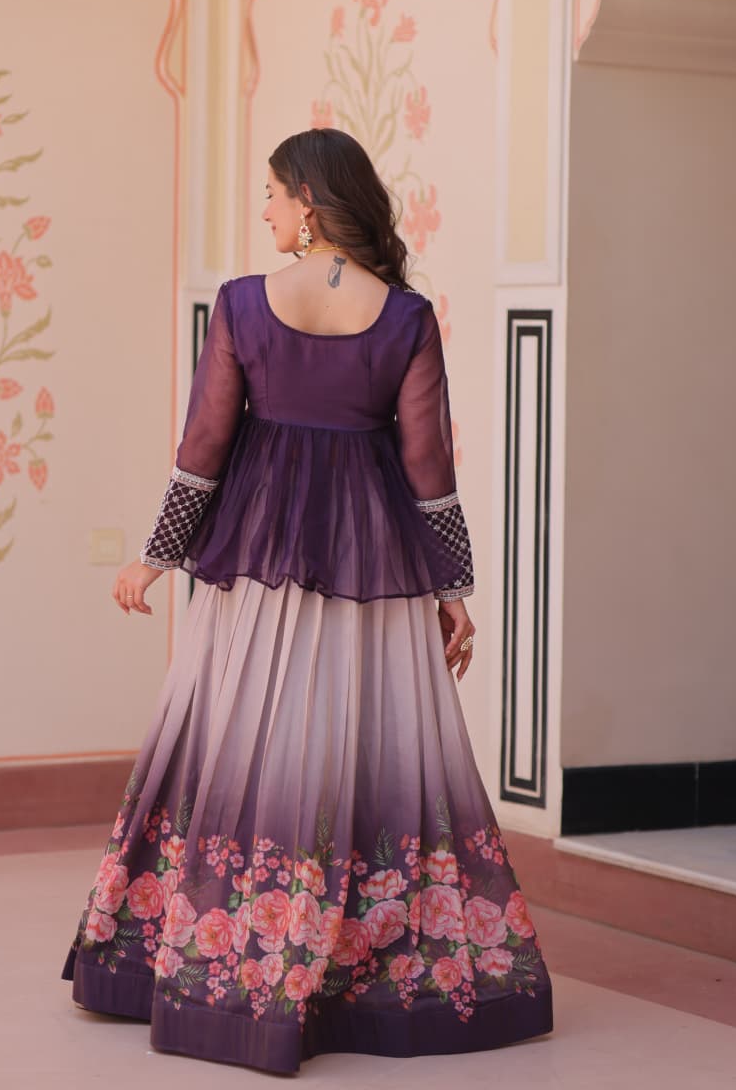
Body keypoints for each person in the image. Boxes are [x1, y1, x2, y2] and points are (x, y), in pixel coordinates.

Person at [60, 128, 553, 1074]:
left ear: (311, 205)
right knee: (357, 748)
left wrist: (154, 558)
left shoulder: (246, 303)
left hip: (259, 558)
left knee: (243, 743)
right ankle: (370, 975)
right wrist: (454, 590)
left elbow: (204, 442)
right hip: (373, 568)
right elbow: (428, 467)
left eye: (275, 195)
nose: (266, 211)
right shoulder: (405, 315)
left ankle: (216, 965)